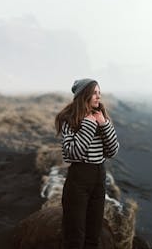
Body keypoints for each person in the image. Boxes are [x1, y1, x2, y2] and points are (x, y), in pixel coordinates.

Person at [55, 78, 119, 249]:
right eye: (94, 93)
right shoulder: (70, 120)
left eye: (99, 93)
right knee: (74, 236)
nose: (99, 97)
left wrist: (104, 125)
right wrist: (89, 126)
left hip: (99, 178)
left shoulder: (101, 118)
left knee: (93, 236)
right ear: (84, 95)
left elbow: (113, 151)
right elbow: (72, 154)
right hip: (79, 180)